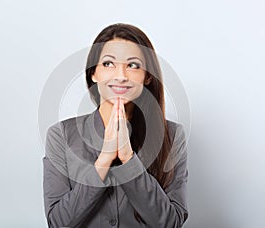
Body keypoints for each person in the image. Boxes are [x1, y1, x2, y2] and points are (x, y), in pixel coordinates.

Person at [43, 23, 189, 228]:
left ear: (147, 76)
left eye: (133, 65)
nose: (121, 75)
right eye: (108, 63)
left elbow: (170, 223)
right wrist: (104, 160)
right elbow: (58, 223)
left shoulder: (172, 135)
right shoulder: (62, 135)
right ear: (93, 73)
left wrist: (129, 159)